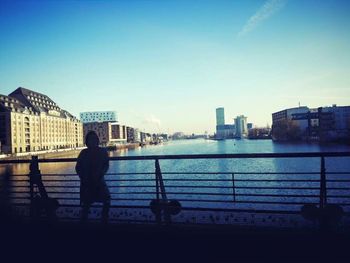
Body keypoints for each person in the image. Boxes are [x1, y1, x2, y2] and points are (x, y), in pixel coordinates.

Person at [75, 131, 110, 224]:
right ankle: (86, 223)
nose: (93, 141)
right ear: (87, 141)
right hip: (88, 182)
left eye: (94, 139)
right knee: (87, 204)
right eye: (91, 139)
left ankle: (103, 220)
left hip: (97, 181)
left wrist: (100, 174)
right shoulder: (84, 153)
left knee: (106, 199)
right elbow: (78, 167)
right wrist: (83, 177)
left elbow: (106, 165)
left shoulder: (101, 152)